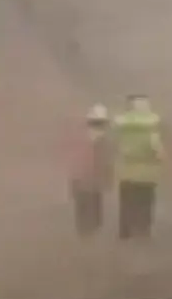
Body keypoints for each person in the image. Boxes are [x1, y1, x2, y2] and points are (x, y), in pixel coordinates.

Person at [113, 94, 165, 240]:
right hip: (147, 176)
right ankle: (143, 231)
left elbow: (116, 148)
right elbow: (158, 152)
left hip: (126, 173)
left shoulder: (123, 128)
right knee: (145, 204)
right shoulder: (151, 131)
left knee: (126, 204)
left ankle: (125, 232)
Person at [66, 104, 114, 237]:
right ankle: (88, 239)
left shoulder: (81, 139)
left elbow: (74, 162)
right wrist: (108, 180)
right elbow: (107, 164)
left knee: (84, 216)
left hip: (84, 182)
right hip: (91, 183)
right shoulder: (103, 142)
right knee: (92, 217)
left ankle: (85, 239)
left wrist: (73, 182)